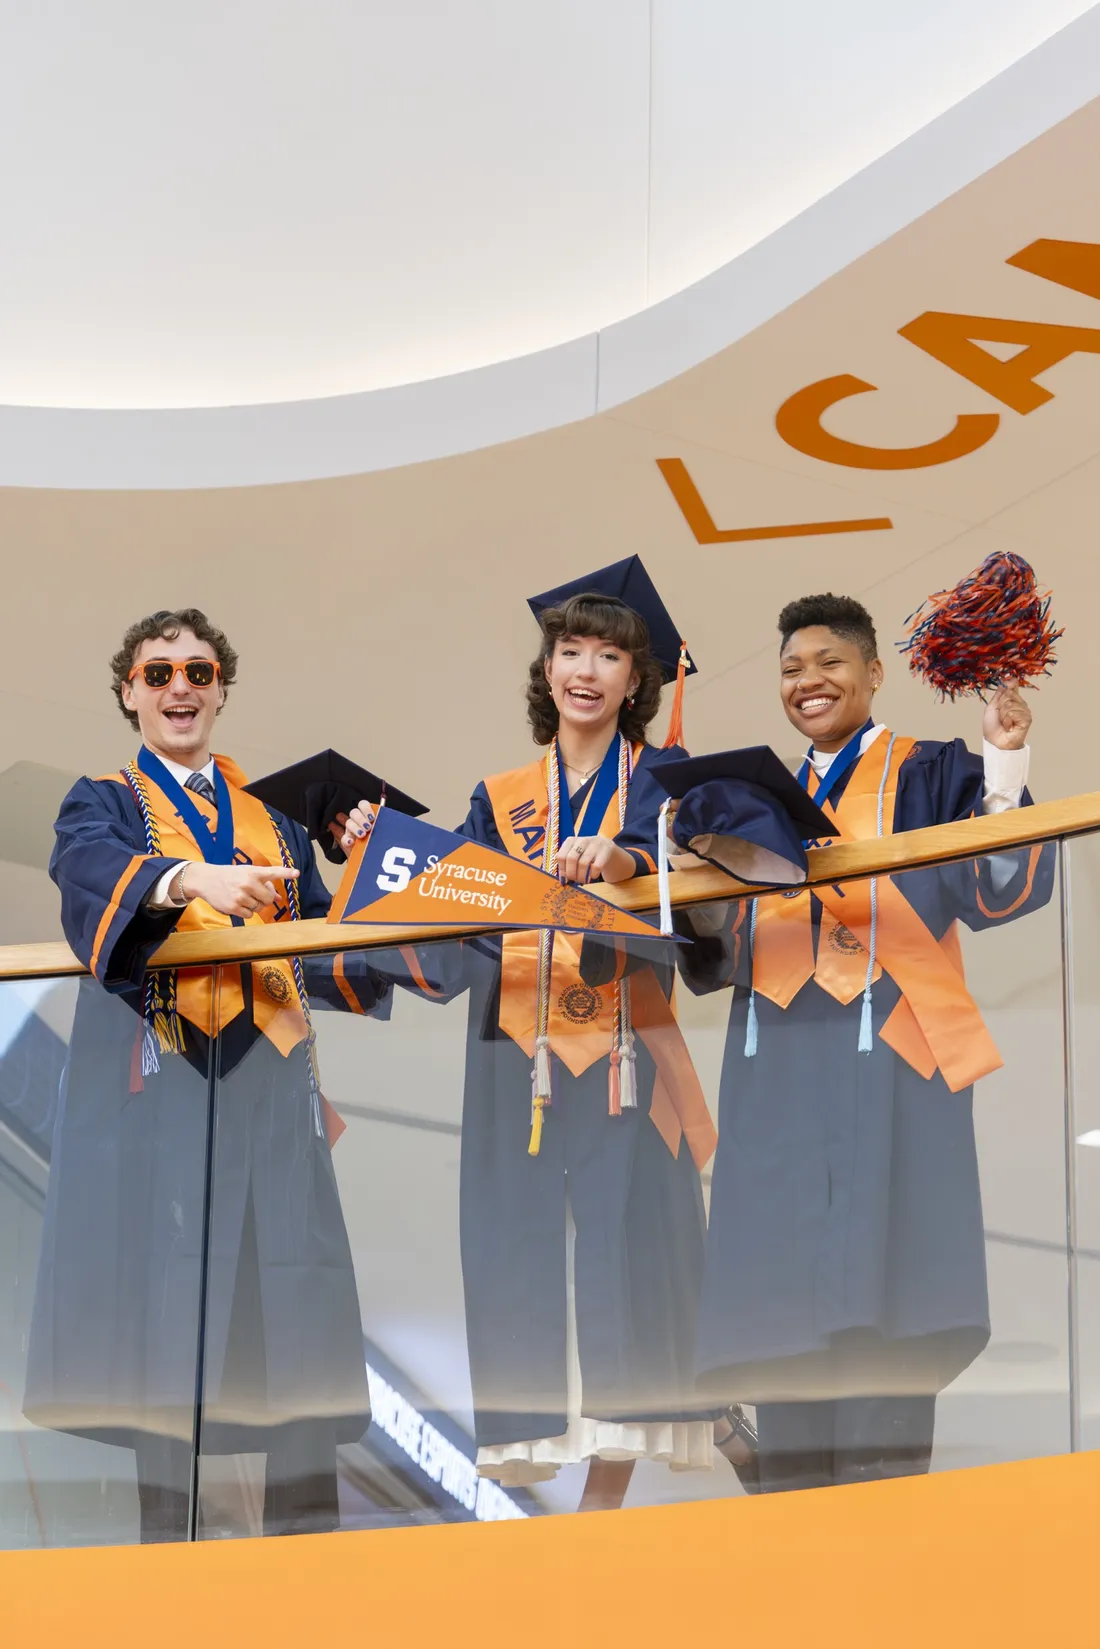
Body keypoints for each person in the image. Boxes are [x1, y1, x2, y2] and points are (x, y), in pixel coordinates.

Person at [348, 560, 739, 1510]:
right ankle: (537, 1455)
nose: (588, 670)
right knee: (515, 1247)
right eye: (572, 650)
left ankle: (607, 1491)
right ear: (549, 665)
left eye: (611, 655)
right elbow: (455, 905)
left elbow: (702, 901)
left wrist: (628, 860)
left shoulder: (668, 789)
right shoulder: (501, 794)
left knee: (631, 1254)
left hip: (625, 1050)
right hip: (513, 1049)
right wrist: (379, 846)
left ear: (638, 681)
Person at [24, 608, 391, 1541]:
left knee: (289, 1309)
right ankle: (167, 1579)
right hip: (163, 1095)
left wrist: (366, 861)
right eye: (157, 673)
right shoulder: (98, 799)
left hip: (271, 1093)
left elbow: (340, 955)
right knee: (166, 1323)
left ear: (223, 686)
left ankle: (309, 1573)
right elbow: (90, 875)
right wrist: (192, 880)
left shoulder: (274, 819)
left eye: (197, 669)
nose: (178, 687)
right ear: (127, 693)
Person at [675, 592, 1054, 1493]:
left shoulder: (928, 773)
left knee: (892, 1306)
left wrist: (1004, 760)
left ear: (874, 673)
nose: (808, 682)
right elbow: (712, 947)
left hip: (893, 1063)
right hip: (778, 1075)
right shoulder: (746, 798)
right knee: (788, 1325)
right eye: (791, 670)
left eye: (829, 663)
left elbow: (999, 886)